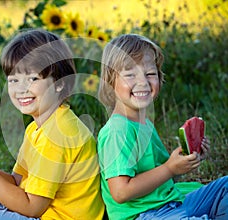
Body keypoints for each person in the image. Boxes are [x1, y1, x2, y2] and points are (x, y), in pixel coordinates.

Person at [0, 29, 105, 220]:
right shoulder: (36, 127)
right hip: (36, 209)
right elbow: (17, 182)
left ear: (59, 83)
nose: (21, 89)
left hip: (53, 217)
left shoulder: (58, 135)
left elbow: (32, 208)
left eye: (33, 78)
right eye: (13, 80)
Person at [97, 33, 228, 220]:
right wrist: (169, 169)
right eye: (130, 74)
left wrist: (184, 162)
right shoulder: (118, 131)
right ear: (111, 81)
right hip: (142, 215)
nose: (142, 81)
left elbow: (158, 177)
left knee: (225, 187)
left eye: (150, 73)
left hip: (168, 204)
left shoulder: (144, 123)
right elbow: (121, 192)